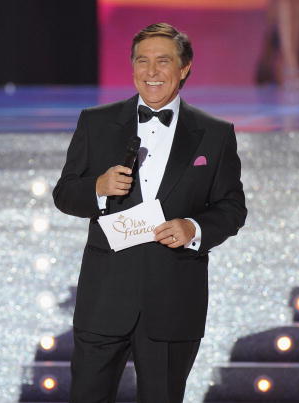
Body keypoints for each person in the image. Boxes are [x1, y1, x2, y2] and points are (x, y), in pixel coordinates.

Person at [53, 23, 247, 403]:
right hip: (104, 297)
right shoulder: (96, 122)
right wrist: (98, 187)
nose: (151, 72)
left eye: (163, 61)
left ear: (184, 68)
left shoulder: (215, 134)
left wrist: (193, 227)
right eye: (142, 61)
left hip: (173, 300)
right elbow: (65, 193)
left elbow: (232, 207)